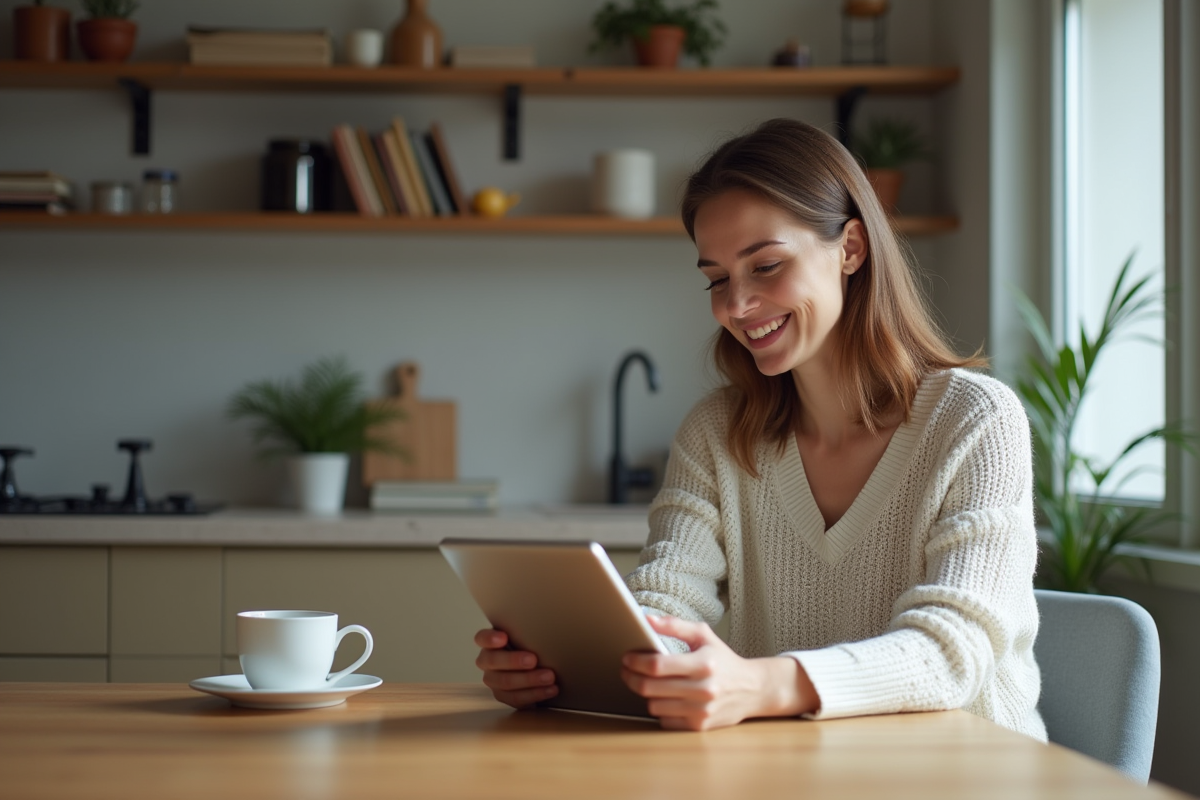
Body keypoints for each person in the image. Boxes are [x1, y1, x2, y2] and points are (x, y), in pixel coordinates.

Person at [473, 117, 1046, 739]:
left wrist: (762, 683)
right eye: (717, 279)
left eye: (766, 265)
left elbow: (951, 652)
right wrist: (573, 669)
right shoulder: (716, 433)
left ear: (851, 248)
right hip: (786, 775)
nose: (736, 306)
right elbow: (666, 603)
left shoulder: (975, 422)